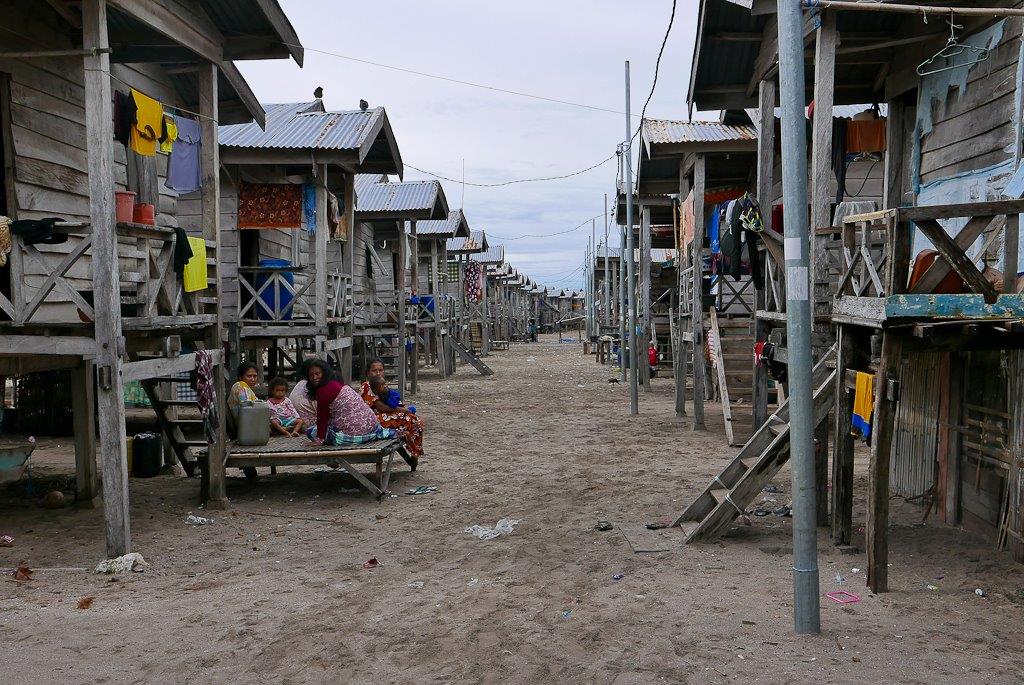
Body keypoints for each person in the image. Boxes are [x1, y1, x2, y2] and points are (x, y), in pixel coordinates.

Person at [304, 358, 394, 446]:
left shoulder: (324, 391)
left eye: (317, 374)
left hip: (354, 430)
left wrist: (319, 440)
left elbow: (322, 417)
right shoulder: (336, 382)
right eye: (311, 375)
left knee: (311, 431)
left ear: (324, 373)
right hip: (371, 425)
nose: (314, 377)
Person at [360, 358, 424, 461]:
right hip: (374, 420)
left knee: (414, 420)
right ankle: (414, 452)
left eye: (380, 370)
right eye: (374, 370)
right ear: (368, 373)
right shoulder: (366, 386)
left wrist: (403, 410)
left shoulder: (381, 384)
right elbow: (381, 407)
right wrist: (404, 411)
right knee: (414, 420)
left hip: (387, 416)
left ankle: (414, 452)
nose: (378, 373)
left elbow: (393, 403)